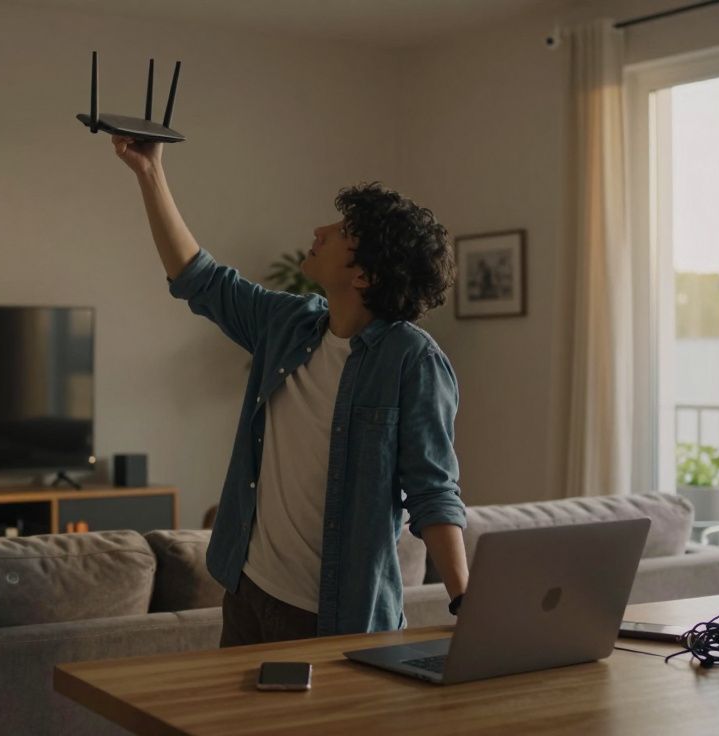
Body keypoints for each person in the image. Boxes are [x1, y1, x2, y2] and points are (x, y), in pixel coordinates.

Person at [111, 135, 469, 645]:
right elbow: (199, 279)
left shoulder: (413, 361)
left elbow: (434, 491)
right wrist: (149, 173)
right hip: (248, 592)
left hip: (336, 617)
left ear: (364, 274)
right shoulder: (289, 325)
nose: (320, 231)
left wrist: (464, 599)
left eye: (342, 231)